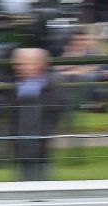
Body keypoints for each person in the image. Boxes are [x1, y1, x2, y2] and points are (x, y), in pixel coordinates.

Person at [5, 48, 64, 181]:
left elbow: (53, 116)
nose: (18, 68)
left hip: (39, 148)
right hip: (20, 148)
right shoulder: (14, 87)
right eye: (18, 64)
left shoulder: (50, 89)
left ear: (40, 64)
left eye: (25, 63)